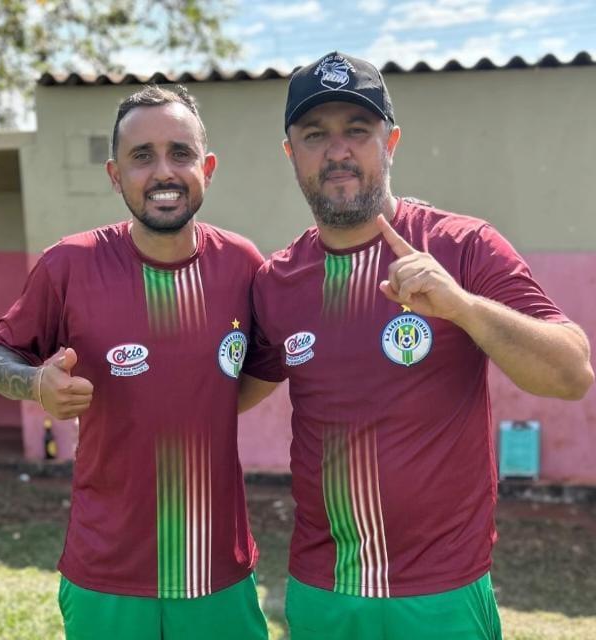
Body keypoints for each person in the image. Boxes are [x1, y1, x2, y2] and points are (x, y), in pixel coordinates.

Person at [240, 51, 594, 640]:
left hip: (443, 596)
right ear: (291, 153)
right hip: (323, 593)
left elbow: (571, 372)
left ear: (391, 141)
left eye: (358, 130)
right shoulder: (276, 282)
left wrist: (464, 308)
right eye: (315, 135)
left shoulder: (464, 246)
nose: (337, 151)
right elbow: (222, 393)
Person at [0, 85, 268, 640]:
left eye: (180, 153)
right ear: (116, 175)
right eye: (142, 156)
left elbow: (264, 368)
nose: (164, 171)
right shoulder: (69, 264)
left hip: (217, 570)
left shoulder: (242, 265)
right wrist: (34, 382)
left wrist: (203, 405)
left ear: (206, 167)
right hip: (105, 572)